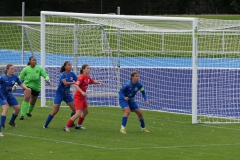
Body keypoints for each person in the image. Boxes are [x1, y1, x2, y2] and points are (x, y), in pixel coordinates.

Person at [63, 64, 104, 132]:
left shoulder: (87, 77)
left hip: (82, 97)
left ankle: (78, 125)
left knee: (85, 112)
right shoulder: (81, 77)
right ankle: (66, 126)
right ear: (83, 69)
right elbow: (76, 85)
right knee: (78, 113)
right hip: (78, 97)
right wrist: (82, 92)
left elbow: (92, 82)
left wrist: (99, 83)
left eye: (89, 68)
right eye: (87, 68)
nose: (89, 69)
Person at [43, 61, 77, 128]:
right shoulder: (62, 74)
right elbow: (65, 83)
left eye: (71, 65)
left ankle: (72, 123)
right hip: (59, 94)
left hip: (67, 95)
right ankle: (45, 124)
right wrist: (74, 83)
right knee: (56, 109)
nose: (70, 66)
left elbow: (78, 80)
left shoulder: (72, 74)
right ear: (65, 67)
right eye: (68, 65)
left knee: (75, 110)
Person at [0, 64, 30, 129]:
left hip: (9, 94)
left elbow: (20, 83)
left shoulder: (15, 77)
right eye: (11, 69)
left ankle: (11, 122)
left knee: (17, 108)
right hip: (2, 95)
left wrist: (26, 88)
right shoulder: (3, 77)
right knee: (5, 108)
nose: (13, 70)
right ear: (7, 70)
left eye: (13, 69)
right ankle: (2, 125)